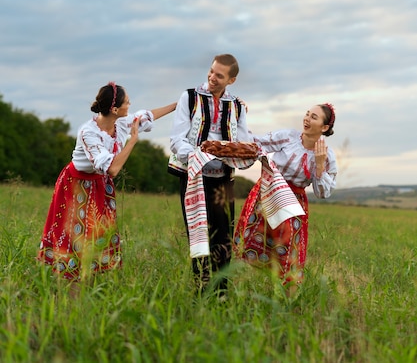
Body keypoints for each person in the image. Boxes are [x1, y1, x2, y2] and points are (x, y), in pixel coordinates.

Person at [38, 82, 176, 281]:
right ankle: (70, 296)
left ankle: (88, 290)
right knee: (74, 240)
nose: (130, 104)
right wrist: (133, 141)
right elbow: (112, 169)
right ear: (114, 109)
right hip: (76, 185)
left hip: (98, 184)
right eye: (127, 102)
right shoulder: (89, 133)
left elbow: (145, 116)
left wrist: (177, 105)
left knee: (95, 238)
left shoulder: (119, 122)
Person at [169, 54, 250, 295]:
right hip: (193, 176)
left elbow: (244, 141)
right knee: (198, 235)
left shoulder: (236, 106)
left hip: (222, 179)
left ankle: (222, 293)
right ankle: (200, 291)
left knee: (223, 237)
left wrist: (236, 151)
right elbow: (176, 140)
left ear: (231, 80)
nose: (212, 78)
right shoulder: (190, 97)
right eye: (211, 72)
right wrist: (199, 154)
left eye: (220, 75)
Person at [234, 103, 337, 291]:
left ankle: (286, 296)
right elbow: (256, 144)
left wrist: (320, 164)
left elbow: (323, 193)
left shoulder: (326, 155)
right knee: (249, 241)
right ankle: (240, 286)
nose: (306, 119)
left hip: (293, 201)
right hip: (268, 190)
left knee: (289, 249)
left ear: (324, 127)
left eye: (314, 117)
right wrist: (240, 117)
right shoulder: (289, 137)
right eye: (307, 114)